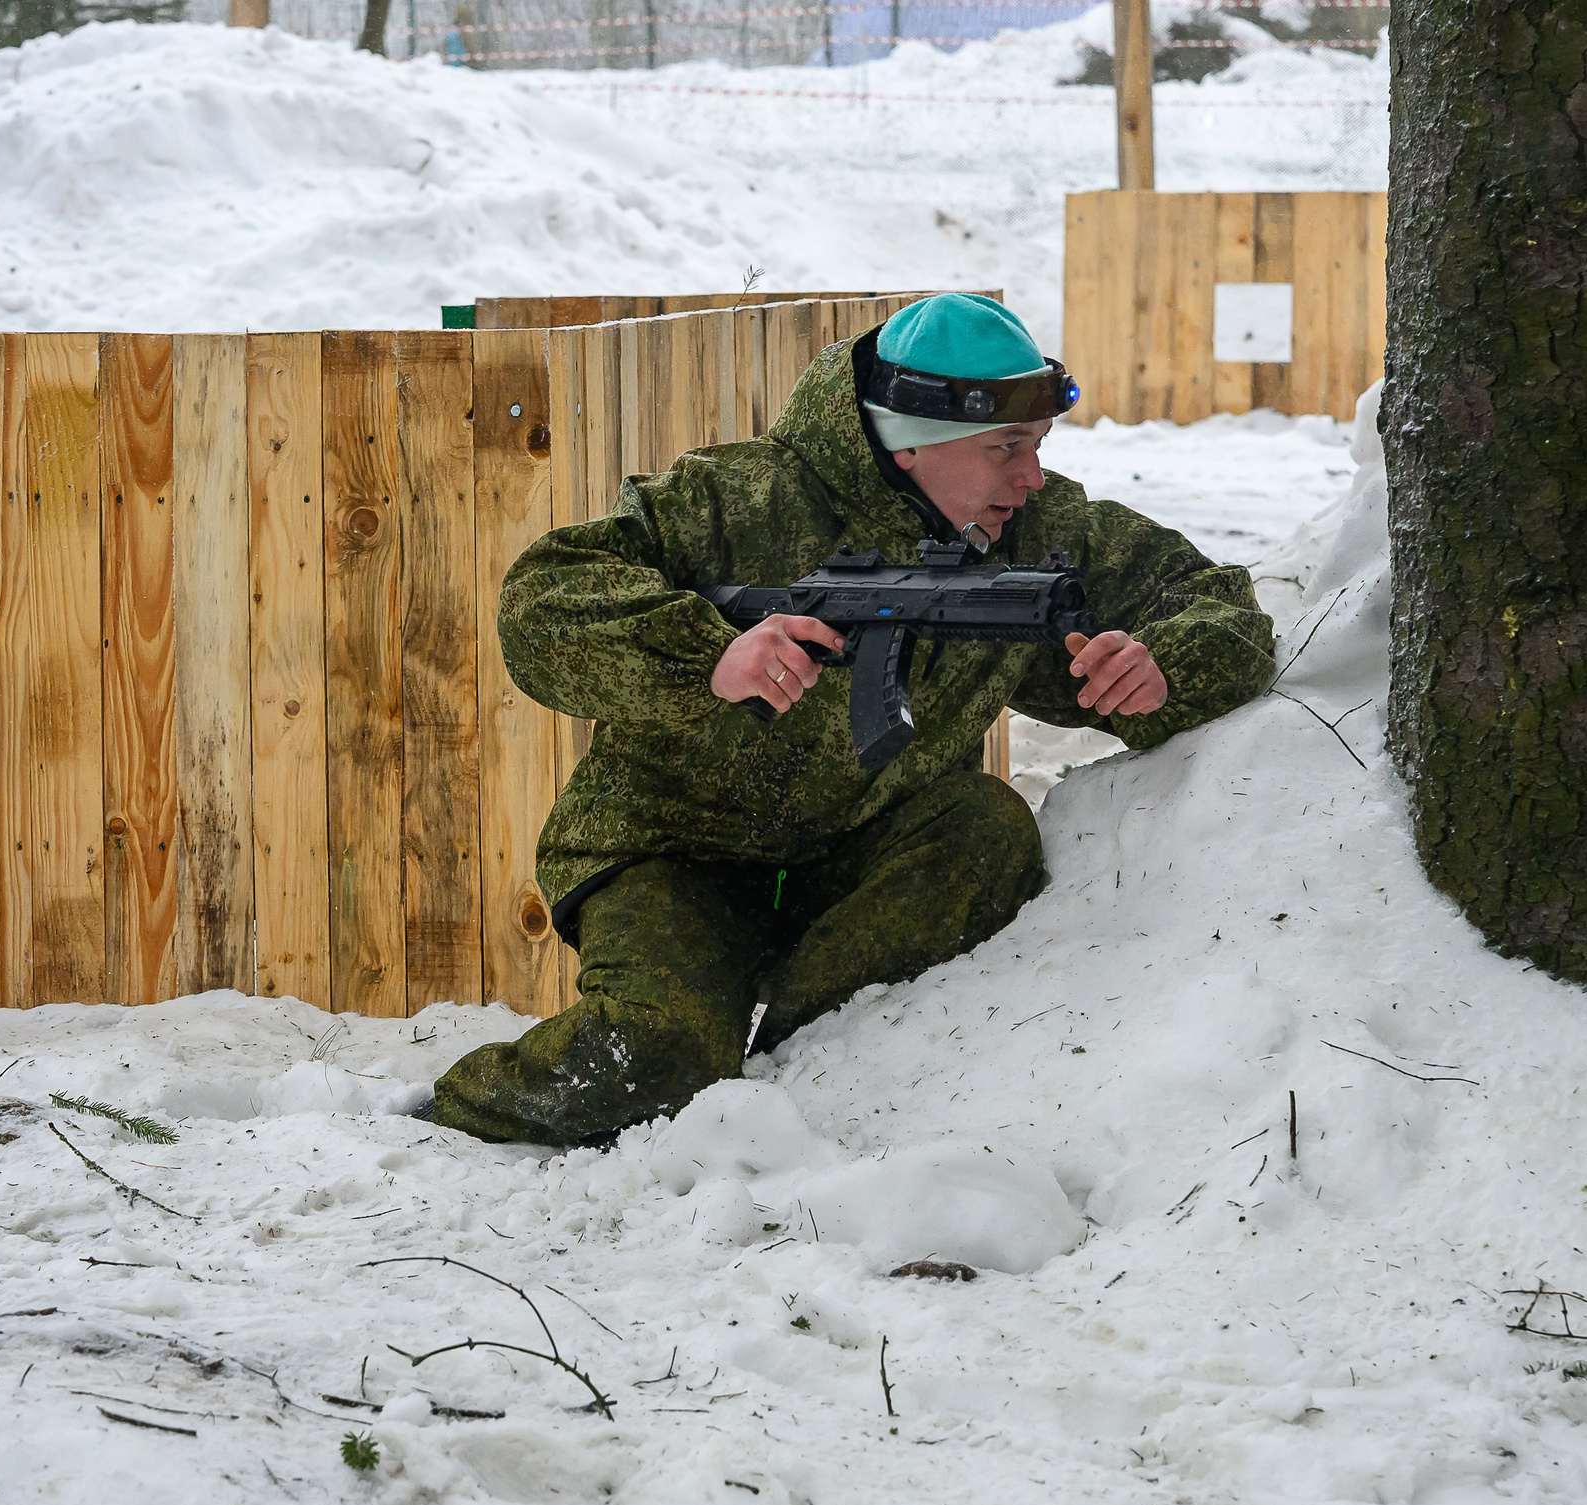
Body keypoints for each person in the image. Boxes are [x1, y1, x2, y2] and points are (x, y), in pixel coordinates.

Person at [422, 293, 1274, 1145]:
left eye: (1038, 448)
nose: (1033, 477)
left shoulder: (1036, 529)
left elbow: (1214, 600)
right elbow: (542, 597)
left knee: (986, 829)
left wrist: (1165, 665)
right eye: (1006, 449)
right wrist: (705, 656)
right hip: (672, 854)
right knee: (663, 1053)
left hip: (861, 858)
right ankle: (454, 1110)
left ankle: (808, 1078)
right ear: (912, 445)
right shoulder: (740, 501)